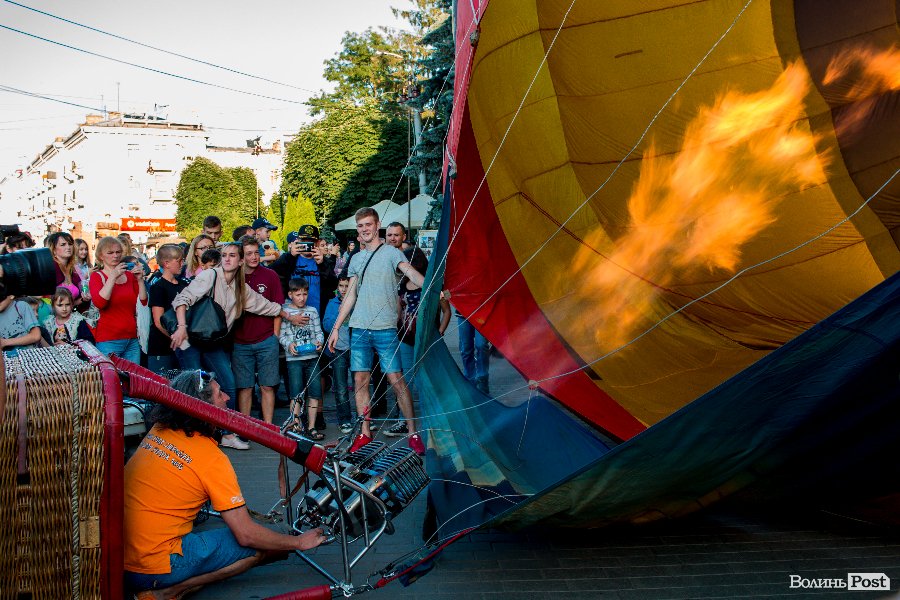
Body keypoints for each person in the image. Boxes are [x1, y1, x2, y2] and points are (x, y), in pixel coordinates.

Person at [124, 370, 325, 599]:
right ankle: (166, 592)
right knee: (257, 547)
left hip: (121, 556)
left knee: (267, 543)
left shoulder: (158, 429)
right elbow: (246, 534)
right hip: (150, 567)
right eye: (220, 394)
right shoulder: (212, 459)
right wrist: (298, 542)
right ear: (203, 408)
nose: (228, 398)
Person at [170, 242, 305, 451]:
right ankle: (191, 437)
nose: (227, 259)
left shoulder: (240, 287)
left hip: (212, 341)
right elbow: (183, 299)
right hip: (190, 339)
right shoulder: (211, 275)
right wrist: (181, 327)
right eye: (224, 255)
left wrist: (289, 316)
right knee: (194, 388)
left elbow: (264, 305)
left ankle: (227, 433)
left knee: (229, 384)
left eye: (232, 255)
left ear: (240, 261)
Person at [326, 208, 426, 455]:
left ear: (377, 225)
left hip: (385, 328)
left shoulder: (391, 252)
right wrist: (336, 327)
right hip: (359, 327)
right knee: (360, 381)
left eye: (368, 224)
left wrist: (431, 286)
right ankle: (364, 433)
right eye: (360, 225)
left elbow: (410, 272)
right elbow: (350, 295)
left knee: (396, 380)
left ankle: (413, 432)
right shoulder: (356, 259)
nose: (364, 229)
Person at [384, 245, 452, 437]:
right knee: (404, 381)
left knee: (426, 380)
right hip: (405, 338)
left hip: (427, 339)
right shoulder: (402, 285)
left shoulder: (432, 283)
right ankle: (404, 421)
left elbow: (447, 310)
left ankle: (433, 421)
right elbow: (398, 311)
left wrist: (440, 331)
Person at [232, 235, 284, 425]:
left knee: (268, 386)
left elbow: (278, 308)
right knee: (244, 387)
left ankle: (268, 427)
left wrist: (275, 337)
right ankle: (245, 427)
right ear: (241, 256)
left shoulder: (270, 275)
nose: (254, 257)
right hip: (240, 341)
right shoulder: (234, 277)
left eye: (256, 253)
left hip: (266, 339)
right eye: (249, 253)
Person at [89, 236, 148, 364]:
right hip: (108, 339)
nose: (115, 256)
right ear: (101, 256)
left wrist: (140, 280)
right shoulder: (97, 276)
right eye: (110, 253)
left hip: (131, 338)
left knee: (133, 375)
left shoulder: (129, 276)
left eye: (118, 252)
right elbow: (100, 303)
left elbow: (143, 302)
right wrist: (112, 277)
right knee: (111, 375)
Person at [279, 278, 324, 440]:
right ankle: (296, 425)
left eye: (304, 294)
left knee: (315, 392)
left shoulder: (312, 311)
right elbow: (281, 335)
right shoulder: (285, 312)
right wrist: (288, 344)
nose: (302, 298)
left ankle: (311, 427)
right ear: (290, 295)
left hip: (312, 357)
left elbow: (319, 332)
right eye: (298, 295)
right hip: (294, 359)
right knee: (296, 393)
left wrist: (319, 342)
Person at [271, 225, 337, 318]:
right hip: (292, 315)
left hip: (317, 314)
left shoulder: (324, 261)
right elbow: (271, 273)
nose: (307, 244)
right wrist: (289, 256)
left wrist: (322, 265)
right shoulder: (290, 258)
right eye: (304, 241)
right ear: (298, 241)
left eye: (311, 241)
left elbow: (333, 285)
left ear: (317, 243)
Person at [147, 244, 189, 374]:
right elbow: (158, 321)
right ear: (167, 263)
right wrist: (177, 339)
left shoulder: (184, 284)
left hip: (183, 344)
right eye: (179, 261)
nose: (182, 264)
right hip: (162, 346)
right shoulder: (158, 287)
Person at [322, 275, 354, 433]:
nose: (344, 289)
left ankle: (364, 418)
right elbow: (326, 326)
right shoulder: (332, 303)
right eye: (341, 286)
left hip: (355, 348)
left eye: (347, 286)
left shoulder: (356, 302)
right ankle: (344, 419)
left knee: (361, 386)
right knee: (341, 387)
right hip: (338, 349)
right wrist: (339, 314)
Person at [45, 232, 84, 307]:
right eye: (63, 244)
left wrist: (84, 299)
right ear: (54, 249)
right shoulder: (49, 269)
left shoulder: (74, 269)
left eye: (70, 244)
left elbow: (70, 304)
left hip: (71, 312)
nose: (68, 247)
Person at [457, 310, 491, 395]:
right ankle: (470, 380)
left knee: (481, 345)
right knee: (466, 348)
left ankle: (482, 379)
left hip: (482, 313)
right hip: (463, 313)